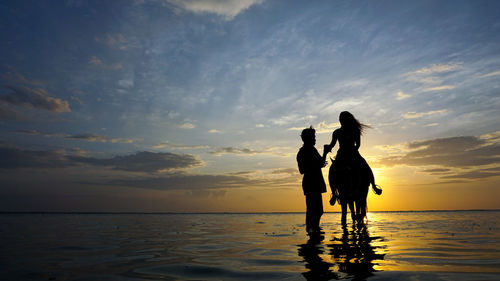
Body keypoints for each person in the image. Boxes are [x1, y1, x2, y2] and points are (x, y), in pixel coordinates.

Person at [326, 111, 382, 198]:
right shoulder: (337, 132)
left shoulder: (355, 131)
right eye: (340, 119)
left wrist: (352, 151)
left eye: (342, 119)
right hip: (342, 154)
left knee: (365, 166)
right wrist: (328, 147)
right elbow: (332, 144)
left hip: (353, 153)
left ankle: (374, 186)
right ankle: (334, 192)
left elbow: (358, 144)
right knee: (332, 170)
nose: (341, 121)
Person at [297, 126, 330, 234]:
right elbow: (302, 170)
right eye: (313, 137)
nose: (315, 139)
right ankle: (312, 230)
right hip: (312, 182)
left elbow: (320, 163)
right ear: (308, 138)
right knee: (317, 210)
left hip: (313, 182)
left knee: (312, 210)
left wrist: (325, 153)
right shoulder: (303, 151)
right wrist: (317, 163)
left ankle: (312, 231)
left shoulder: (311, 149)